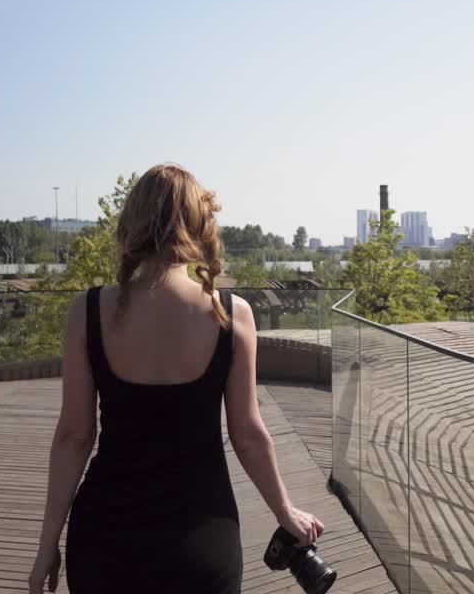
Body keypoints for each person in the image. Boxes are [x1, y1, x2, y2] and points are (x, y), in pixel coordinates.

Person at [28, 163, 324, 593]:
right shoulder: (231, 313)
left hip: (106, 540)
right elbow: (248, 433)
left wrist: (46, 545)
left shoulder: (87, 312)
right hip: (202, 543)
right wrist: (284, 511)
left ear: (131, 224)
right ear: (200, 225)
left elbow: (74, 436)